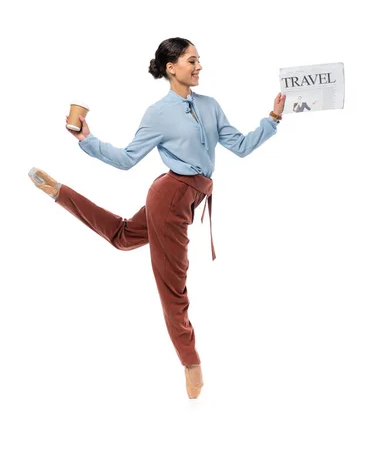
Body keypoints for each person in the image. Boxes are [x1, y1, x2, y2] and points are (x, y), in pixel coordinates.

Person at [28, 37, 286, 399]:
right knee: (174, 287)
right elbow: (127, 158)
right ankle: (191, 363)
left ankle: (59, 193)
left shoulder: (210, 106)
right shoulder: (158, 113)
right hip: (171, 197)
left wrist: (273, 118)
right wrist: (87, 140)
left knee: (121, 237)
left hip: (185, 197)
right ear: (171, 67)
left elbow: (240, 147)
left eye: (199, 61)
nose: (198, 67)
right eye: (192, 61)